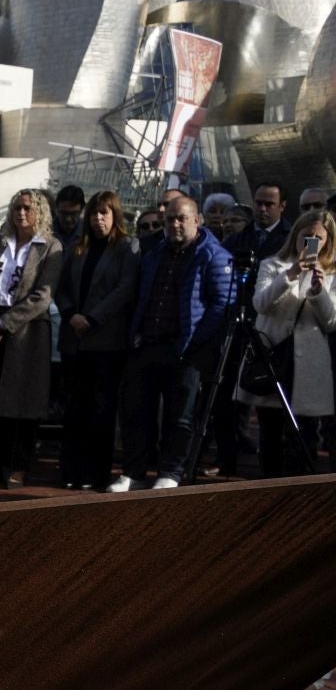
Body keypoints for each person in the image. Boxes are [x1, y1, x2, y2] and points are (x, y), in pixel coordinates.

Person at [112, 194, 235, 491]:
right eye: (170, 219)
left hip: (187, 350)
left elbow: (222, 304)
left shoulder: (214, 255)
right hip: (148, 344)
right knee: (136, 411)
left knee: (181, 416)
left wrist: (195, 340)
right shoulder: (154, 253)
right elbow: (142, 296)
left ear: (197, 220)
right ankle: (134, 472)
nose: (175, 224)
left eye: (181, 218)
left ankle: (171, 471)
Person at [0, 190, 63, 488]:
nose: (21, 213)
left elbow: (43, 295)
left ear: (40, 211)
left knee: (22, 403)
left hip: (26, 333)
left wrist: (5, 324)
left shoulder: (49, 247)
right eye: (17, 207)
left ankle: (18, 466)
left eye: (28, 208)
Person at [238, 210, 336, 476]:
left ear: (328, 241)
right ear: (295, 235)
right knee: (270, 433)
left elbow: (331, 322)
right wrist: (291, 274)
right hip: (274, 359)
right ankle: (268, 487)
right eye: (307, 236)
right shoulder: (273, 265)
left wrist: (318, 291)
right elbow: (260, 304)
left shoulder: (332, 273)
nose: (312, 242)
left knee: (304, 435)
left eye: (319, 238)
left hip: (309, 365)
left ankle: (300, 494)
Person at [54, 191, 139, 489]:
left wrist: (91, 318)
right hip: (74, 340)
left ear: (115, 215)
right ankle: (71, 472)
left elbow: (124, 290)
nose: (98, 219)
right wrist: (69, 313)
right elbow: (61, 285)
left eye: (104, 213)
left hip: (105, 341)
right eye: (93, 214)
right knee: (74, 408)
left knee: (101, 411)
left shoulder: (127, 247)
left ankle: (96, 472)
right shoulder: (78, 247)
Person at [226, 183, 291, 261]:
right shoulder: (235, 240)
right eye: (258, 203)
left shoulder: (294, 238)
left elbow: (309, 258)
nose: (262, 209)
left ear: (282, 206)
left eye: (269, 204)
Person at [53, 184, 86, 250]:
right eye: (64, 213)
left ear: (82, 210)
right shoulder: (43, 232)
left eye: (73, 214)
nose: (68, 219)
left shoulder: (88, 234)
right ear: (56, 208)